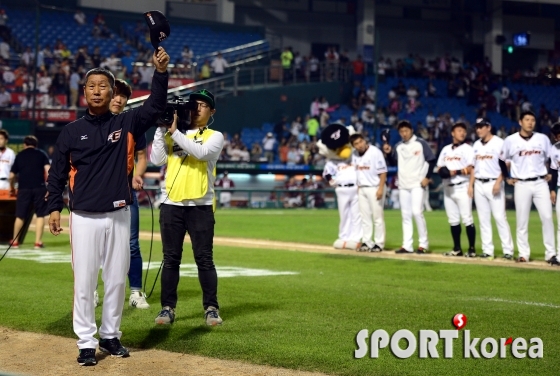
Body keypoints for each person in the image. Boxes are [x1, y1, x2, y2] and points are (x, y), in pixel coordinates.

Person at [46, 47, 170, 366]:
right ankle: (86, 342)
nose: (98, 90)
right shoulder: (71, 131)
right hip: (84, 216)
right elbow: (58, 173)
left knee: (116, 280)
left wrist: (159, 73)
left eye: (104, 86)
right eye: (92, 86)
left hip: (119, 214)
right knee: (85, 282)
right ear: (84, 92)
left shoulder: (127, 122)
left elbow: (156, 105)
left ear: (113, 92)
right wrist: (53, 208)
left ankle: (111, 336)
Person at [150, 89, 225, 327]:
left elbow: (201, 153)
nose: (197, 108)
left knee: (204, 259)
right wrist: (161, 128)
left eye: (203, 105)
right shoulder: (174, 133)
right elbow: (157, 159)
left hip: (200, 205)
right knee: (171, 259)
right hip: (172, 204)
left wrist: (174, 132)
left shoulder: (215, 136)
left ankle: (211, 308)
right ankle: (167, 308)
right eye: (194, 104)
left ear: (211, 111)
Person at [92, 78, 149, 309]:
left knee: (132, 244)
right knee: (96, 245)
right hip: (97, 194)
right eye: (115, 94)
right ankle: (92, 291)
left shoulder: (133, 125)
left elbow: (142, 157)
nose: (118, 99)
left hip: (126, 191)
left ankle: (135, 293)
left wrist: (138, 174)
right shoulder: (93, 123)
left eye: (122, 96)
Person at [499, 111, 558, 264]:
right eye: (527, 120)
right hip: (521, 183)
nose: (530, 122)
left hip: (540, 183)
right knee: (522, 220)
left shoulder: (543, 139)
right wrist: (507, 177)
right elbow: (501, 159)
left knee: (547, 218)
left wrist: (551, 174)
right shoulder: (511, 140)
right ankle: (524, 253)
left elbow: (552, 158)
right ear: (520, 122)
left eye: (532, 120)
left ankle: (550, 254)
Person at [383, 120, 435, 254]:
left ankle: (423, 244)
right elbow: (393, 161)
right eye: (401, 131)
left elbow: (431, 159)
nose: (404, 133)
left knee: (417, 212)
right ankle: (407, 245)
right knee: (405, 215)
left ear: (411, 130)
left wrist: (427, 177)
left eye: (406, 130)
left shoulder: (420, 143)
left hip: (417, 183)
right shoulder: (398, 146)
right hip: (403, 184)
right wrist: (388, 153)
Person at [467, 118, 514, 260]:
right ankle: (488, 250)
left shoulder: (499, 143)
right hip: (479, 184)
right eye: (477, 127)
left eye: (481, 127)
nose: (478, 130)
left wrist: (499, 182)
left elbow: (507, 165)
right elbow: (473, 167)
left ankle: (508, 251)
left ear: (489, 127)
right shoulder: (476, 144)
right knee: (483, 219)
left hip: (494, 182)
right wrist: (470, 185)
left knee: (500, 217)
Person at [437, 122, 477, 257]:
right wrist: (443, 172)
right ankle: (457, 248)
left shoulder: (468, 149)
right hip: (448, 188)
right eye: (459, 130)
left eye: (464, 131)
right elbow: (439, 167)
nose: (462, 133)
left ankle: (471, 249)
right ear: (452, 133)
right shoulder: (446, 149)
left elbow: (471, 168)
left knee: (467, 219)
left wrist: (455, 172)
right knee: (453, 220)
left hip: (462, 187)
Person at [9, 135, 50, 248]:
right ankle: (38, 242)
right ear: (36, 145)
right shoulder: (42, 154)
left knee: (20, 215)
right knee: (40, 215)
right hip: (39, 187)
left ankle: (15, 241)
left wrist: (12, 187)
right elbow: (48, 170)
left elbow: (11, 175)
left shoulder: (20, 155)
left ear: (24, 145)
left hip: (24, 188)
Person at [350, 133, 387, 252]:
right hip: (362, 188)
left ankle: (379, 243)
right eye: (356, 144)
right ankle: (367, 241)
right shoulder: (354, 155)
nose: (360, 145)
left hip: (375, 186)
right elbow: (358, 172)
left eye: (361, 141)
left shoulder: (375, 152)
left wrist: (380, 188)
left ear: (365, 141)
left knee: (377, 217)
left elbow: (383, 172)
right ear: (353, 146)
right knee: (365, 217)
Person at [547, 123, 560, 266]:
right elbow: (554, 172)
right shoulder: (554, 149)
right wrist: (552, 190)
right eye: (555, 135)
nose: (557, 137)